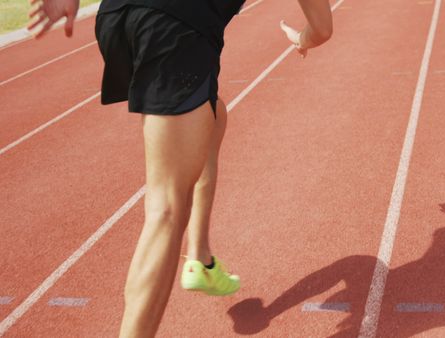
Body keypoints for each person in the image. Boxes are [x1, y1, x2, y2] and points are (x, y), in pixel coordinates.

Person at [26, 0, 334, 336]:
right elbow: (321, 28)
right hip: (174, 26)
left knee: (213, 115)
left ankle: (200, 257)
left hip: (117, 16)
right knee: (166, 209)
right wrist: (301, 38)